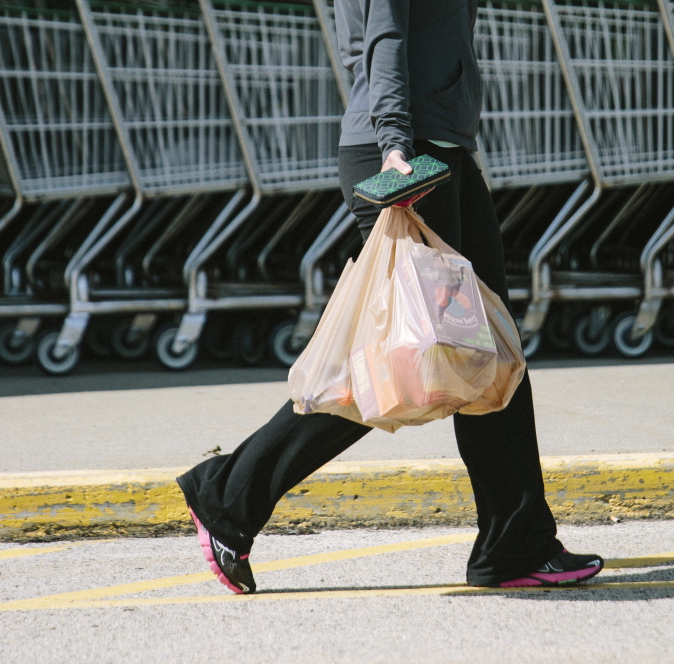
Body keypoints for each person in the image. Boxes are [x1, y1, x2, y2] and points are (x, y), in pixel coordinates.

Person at [176, 0, 604, 594]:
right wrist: (395, 138)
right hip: (409, 154)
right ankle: (229, 496)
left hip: (439, 146)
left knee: (493, 350)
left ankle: (515, 543)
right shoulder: (402, 140)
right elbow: (381, 37)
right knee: (404, 362)